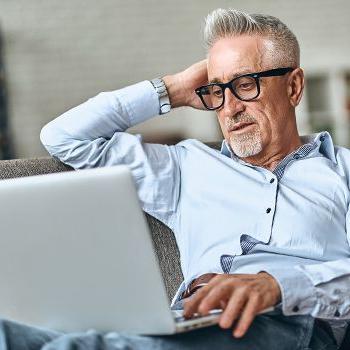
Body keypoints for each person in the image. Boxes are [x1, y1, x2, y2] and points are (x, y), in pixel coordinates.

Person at [2, 8, 349, 350]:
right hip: (188, 321)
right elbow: (65, 138)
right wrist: (175, 88)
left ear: (293, 86)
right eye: (217, 91)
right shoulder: (185, 168)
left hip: (288, 324)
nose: (229, 108)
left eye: (245, 85)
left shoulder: (342, 170)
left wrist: (278, 286)